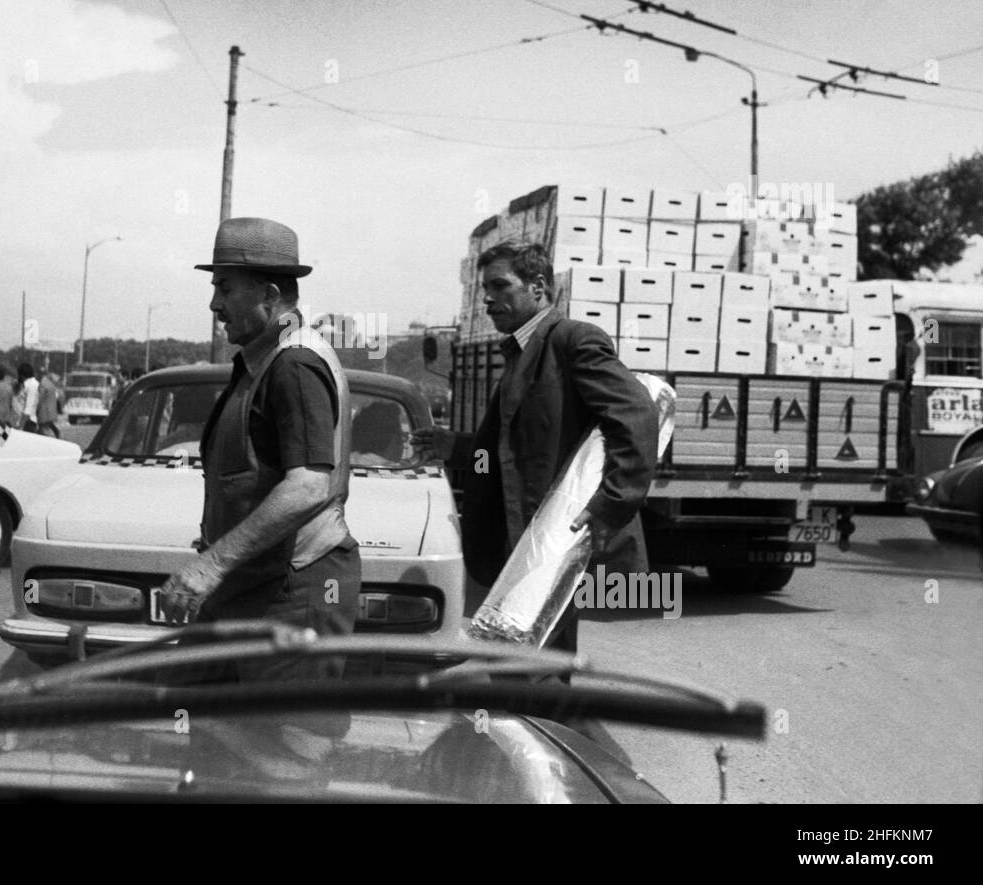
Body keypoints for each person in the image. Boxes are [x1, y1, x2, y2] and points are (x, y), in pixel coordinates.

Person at [411, 241, 658, 655]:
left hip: (553, 540)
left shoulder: (573, 341)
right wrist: (456, 447)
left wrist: (611, 504)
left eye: (500, 286)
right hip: (523, 539)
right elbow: (514, 450)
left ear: (538, 286)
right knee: (532, 662)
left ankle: (543, 721)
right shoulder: (522, 352)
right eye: (484, 289)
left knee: (529, 663)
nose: (488, 299)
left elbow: (638, 416)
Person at [158, 217, 361, 682]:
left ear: (269, 295)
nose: (214, 304)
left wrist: (210, 565)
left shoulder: (294, 364)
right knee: (206, 721)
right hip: (252, 587)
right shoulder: (266, 358)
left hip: (293, 593)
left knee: (277, 743)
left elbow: (310, 485)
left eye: (226, 288)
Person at [12, 362, 39, 433]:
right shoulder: (27, 385)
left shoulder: (31, 385)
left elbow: (28, 410)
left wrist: (20, 426)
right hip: (24, 422)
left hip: (27, 423)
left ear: (21, 375)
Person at [36, 371, 62, 437]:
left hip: (45, 410)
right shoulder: (50, 383)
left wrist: (36, 407)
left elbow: (40, 397)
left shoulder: (43, 384)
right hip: (51, 410)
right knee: (47, 425)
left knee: (42, 427)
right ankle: (56, 433)